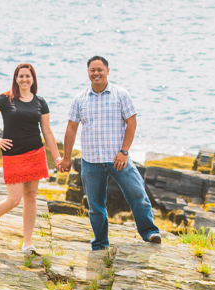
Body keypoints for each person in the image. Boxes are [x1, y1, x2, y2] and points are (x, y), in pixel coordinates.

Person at [57, 56, 163, 250]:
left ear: (107, 71)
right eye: (92, 70)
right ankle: (100, 243)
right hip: (91, 160)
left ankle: (149, 232)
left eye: (100, 69)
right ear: (88, 72)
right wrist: (66, 157)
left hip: (118, 158)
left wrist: (124, 151)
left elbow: (132, 122)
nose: (96, 73)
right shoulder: (80, 99)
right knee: (95, 206)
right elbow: (71, 128)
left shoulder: (120, 95)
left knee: (137, 193)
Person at [0, 63, 61, 254]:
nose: (24, 79)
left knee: (31, 196)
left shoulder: (40, 102)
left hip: (35, 154)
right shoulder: (6, 99)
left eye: (28, 76)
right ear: (16, 79)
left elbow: (47, 132)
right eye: (21, 76)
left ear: (33, 79)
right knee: (13, 200)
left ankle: (27, 243)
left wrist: (57, 157)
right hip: (13, 155)